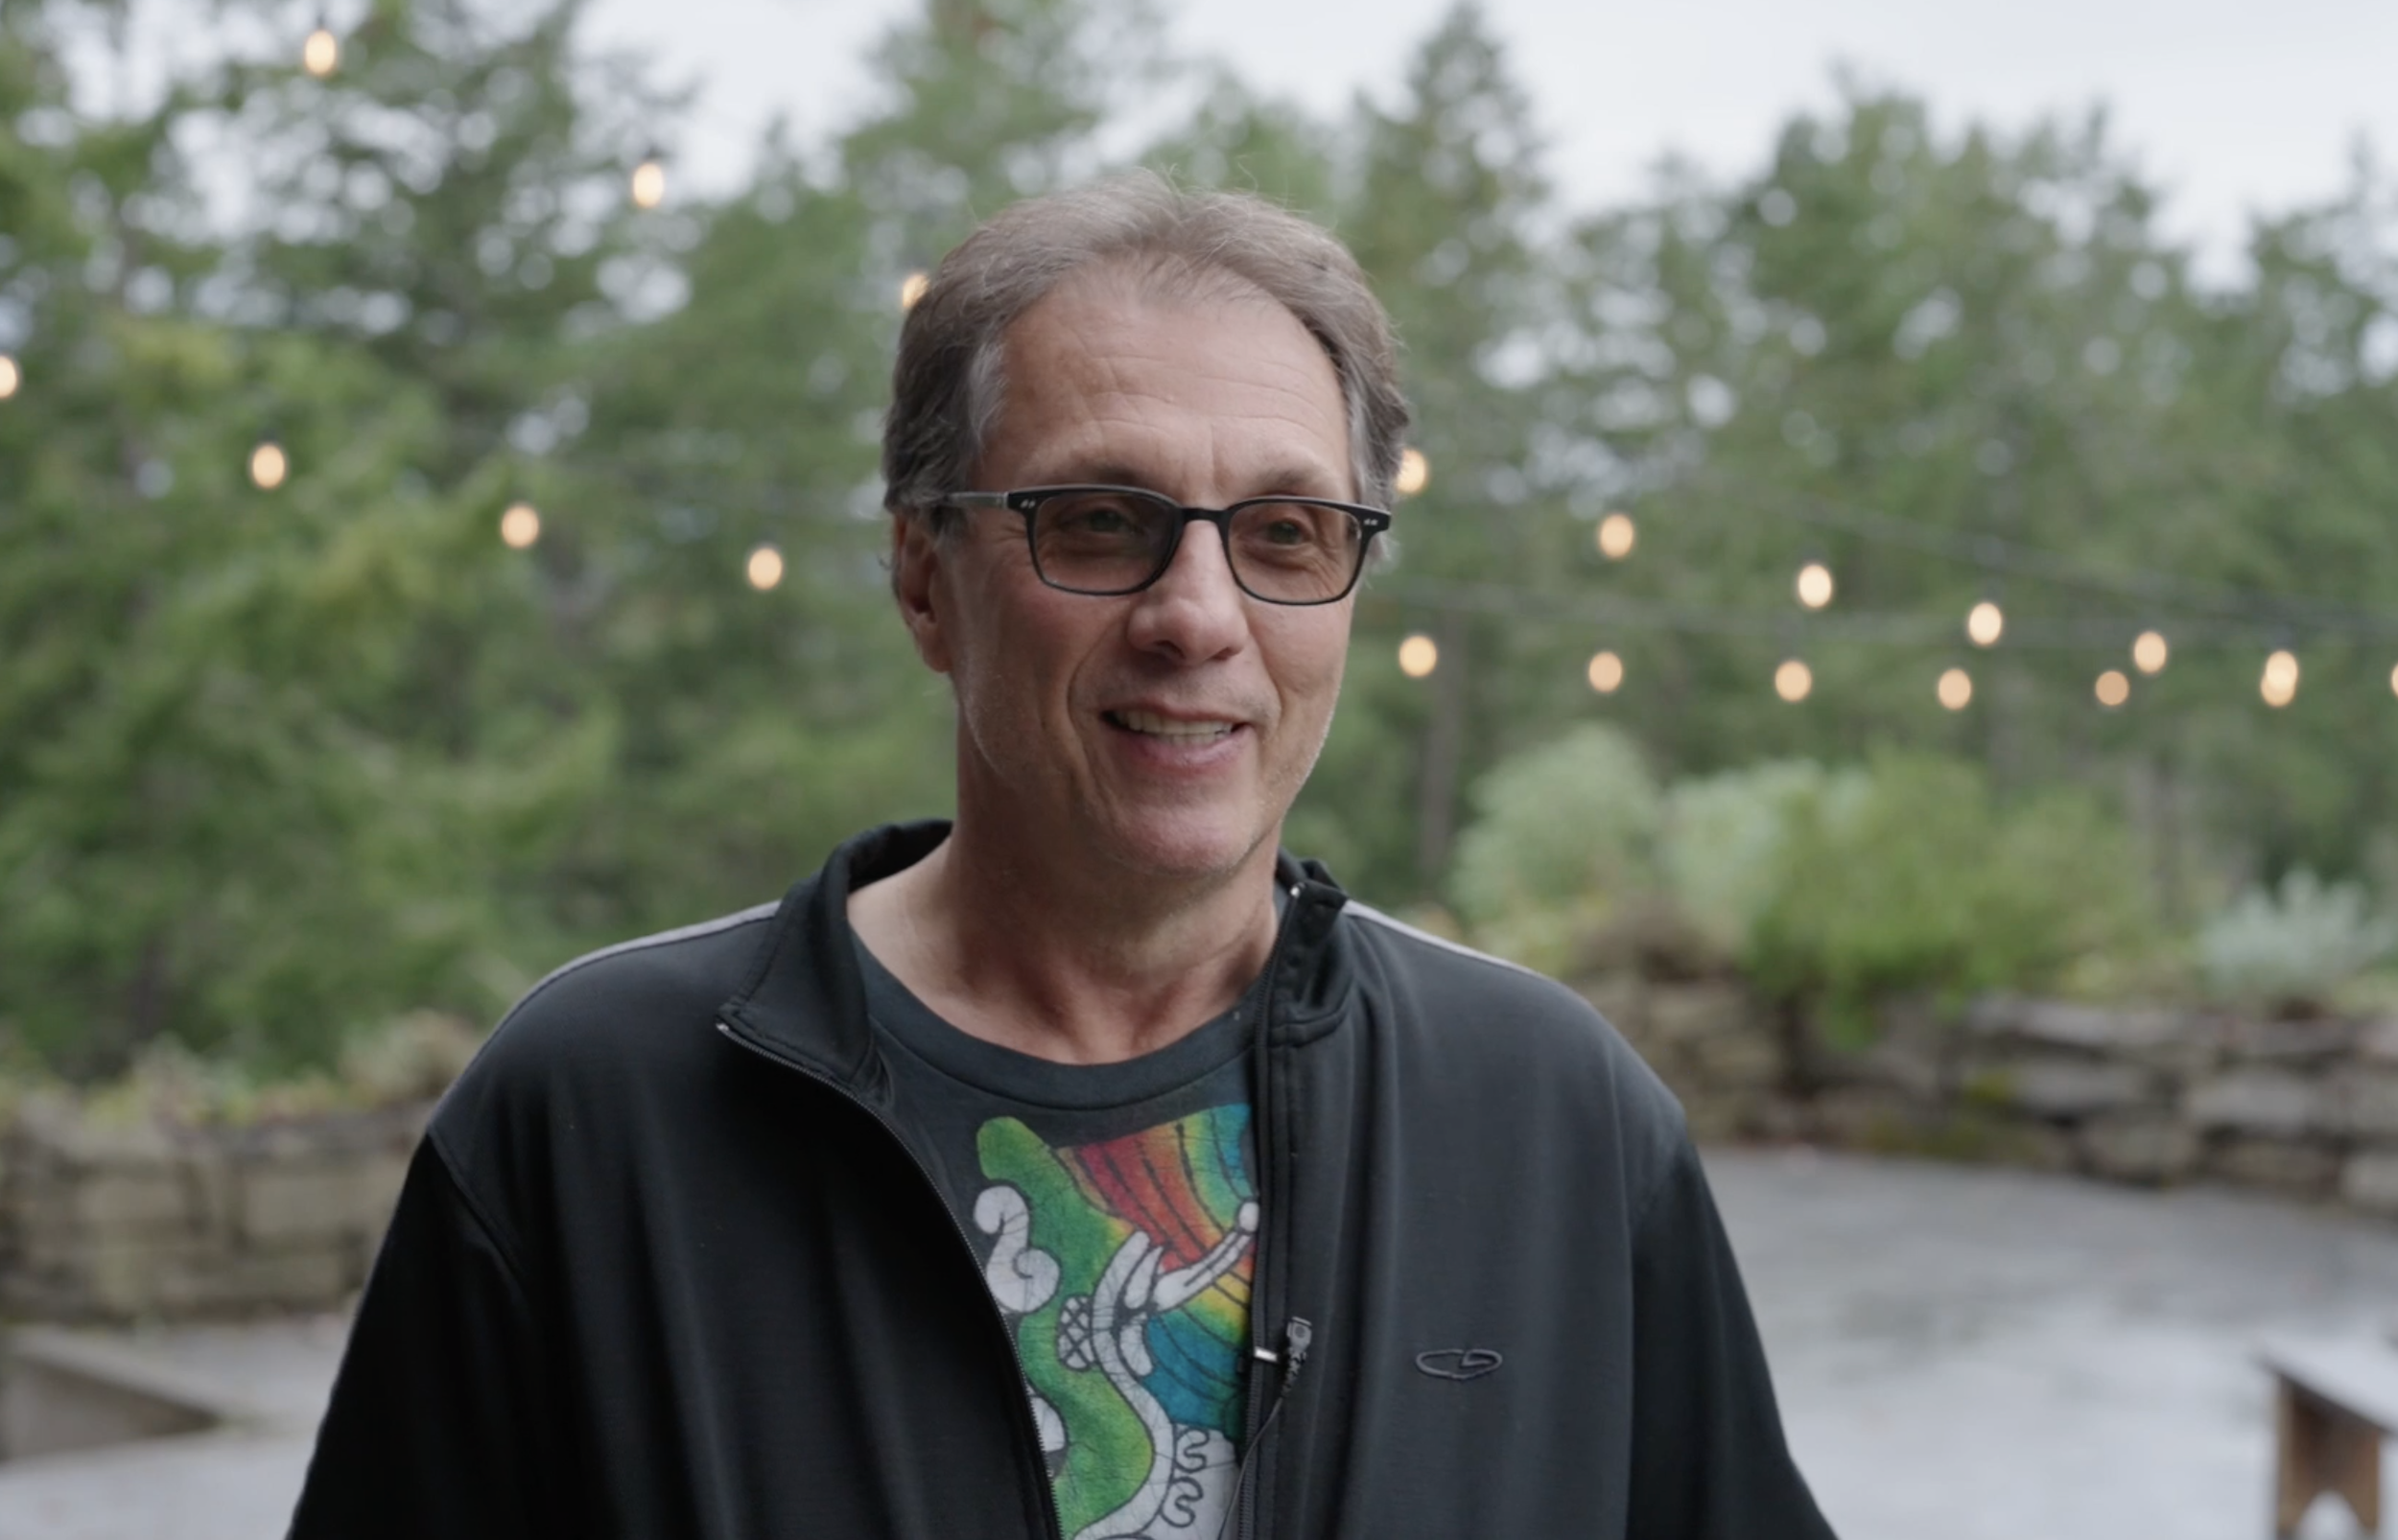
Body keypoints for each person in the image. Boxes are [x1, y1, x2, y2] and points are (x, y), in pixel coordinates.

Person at [290, 174, 1836, 1540]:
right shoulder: (595, 1118)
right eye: (1100, 520)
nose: (1198, 614)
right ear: (924, 578)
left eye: (1287, 533)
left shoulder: (1554, 1122)